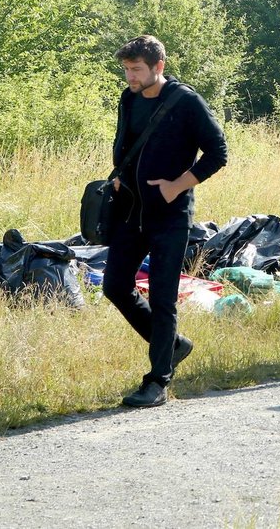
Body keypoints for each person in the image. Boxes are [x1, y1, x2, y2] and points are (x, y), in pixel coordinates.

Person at [103, 35, 228, 408]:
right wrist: (118, 174)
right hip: (130, 210)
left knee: (162, 298)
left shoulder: (186, 102)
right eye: (126, 70)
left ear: (159, 66)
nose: (130, 77)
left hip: (170, 215)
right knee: (114, 286)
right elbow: (125, 141)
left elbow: (218, 153)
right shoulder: (128, 98)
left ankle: (157, 381)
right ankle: (174, 346)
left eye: (136, 70)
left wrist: (177, 186)